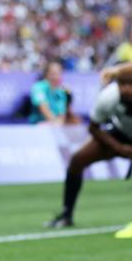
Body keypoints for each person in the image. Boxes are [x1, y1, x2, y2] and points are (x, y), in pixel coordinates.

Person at [46, 72, 132, 230]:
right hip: (120, 134)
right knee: (77, 160)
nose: (126, 89)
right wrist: (118, 148)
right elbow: (94, 127)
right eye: (122, 85)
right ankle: (67, 215)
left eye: (130, 85)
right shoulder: (108, 97)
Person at [29, 60, 81, 124]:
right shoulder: (38, 87)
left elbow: (61, 115)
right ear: (46, 74)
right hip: (39, 126)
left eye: (59, 73)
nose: (56, 77)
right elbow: (44, 109)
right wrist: (56, 122)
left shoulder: (61, 92)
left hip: (55, 127)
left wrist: (60, 123)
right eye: (53, 73)